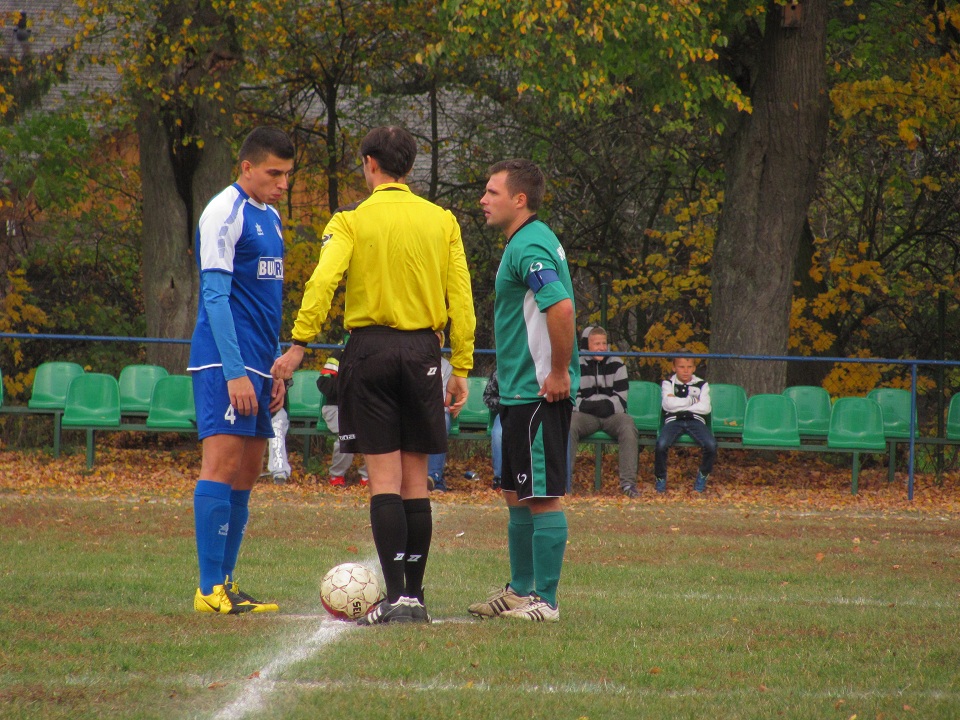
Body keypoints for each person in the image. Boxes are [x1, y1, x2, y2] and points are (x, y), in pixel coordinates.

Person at [271, 126, 476, 625]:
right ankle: (415, 598)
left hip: (370, 351)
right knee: (416, 483)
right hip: (424, 349)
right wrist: (462, 365)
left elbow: (324, 280)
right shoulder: (441, 220)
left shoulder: (351, 219)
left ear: (369, 164)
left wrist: (300, 341)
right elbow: (462, 296)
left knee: (382, 481)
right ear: (408, 168)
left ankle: (394, 597)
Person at [188, 126, 295, 614]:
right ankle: (209, 587)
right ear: (246, 167)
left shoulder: (271, 219)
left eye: (288, 174)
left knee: (249, 471)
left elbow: (265, 303)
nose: (283, 183)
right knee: (223, 464)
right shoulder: (222, 212)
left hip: (258, 362)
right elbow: (215, 297)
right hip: (222, 360)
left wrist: (272, 369)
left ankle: (227, 583)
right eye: (274, 173)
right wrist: (234, 371)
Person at [468, 159, 578, 623]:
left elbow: (562, 306)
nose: (483, 199)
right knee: (516, 493)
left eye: (492, 192)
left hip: (538, 394)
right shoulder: (523, 242)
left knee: (542, 496)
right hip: (516, 393)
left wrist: (556, 372)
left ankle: (546, 601)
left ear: (519, 200)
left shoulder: (530, 245)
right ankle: (520, 588)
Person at [568, 326, 640, 498]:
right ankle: (564, 483)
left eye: (604, 343)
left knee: (628, 426)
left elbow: (621, 400)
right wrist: (591, 406)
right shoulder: (577, 364)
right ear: (588, 346)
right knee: (569, 425)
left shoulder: (617, 364)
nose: (601, 347)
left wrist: (605, 406)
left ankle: (628, 484)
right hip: (586, 416)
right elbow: (573, 400)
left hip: (612, 415)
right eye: (596, 344)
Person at [654, 353, 716, 493]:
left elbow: (705, 408)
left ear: (694, 368)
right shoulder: (668, 383)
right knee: (661, 444)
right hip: (673, 421)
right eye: (681, 367)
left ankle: (702, 477)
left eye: (689, 367)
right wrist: (693, 401)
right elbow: (667, 405)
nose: (686, 370)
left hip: (696, 420)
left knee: (711, 445)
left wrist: (678, 403)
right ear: (674, 367)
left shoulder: (702, 384)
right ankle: (660, 479)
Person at [316, 342, 368, 487]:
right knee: (346, 436)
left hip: (364, 409)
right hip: (336, 407)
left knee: (377, 434)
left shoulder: (376, 354)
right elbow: (323, 383)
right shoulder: (340, 353)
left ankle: (369, 477)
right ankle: (337, 476)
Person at [427, 333, 454, 492]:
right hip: (418, 410)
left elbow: (445, 397)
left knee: (442, 422)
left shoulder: (447, 366)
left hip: (439, 411)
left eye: (437, 341)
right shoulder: (415, 361)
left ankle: (434, 478)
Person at [482, 368, 503, 490]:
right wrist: (504, 402)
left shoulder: (533, 370)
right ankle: (499, 478)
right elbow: (487, 397)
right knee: (497, 434)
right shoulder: (499, 372)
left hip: (529, 412)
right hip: (506, 412)